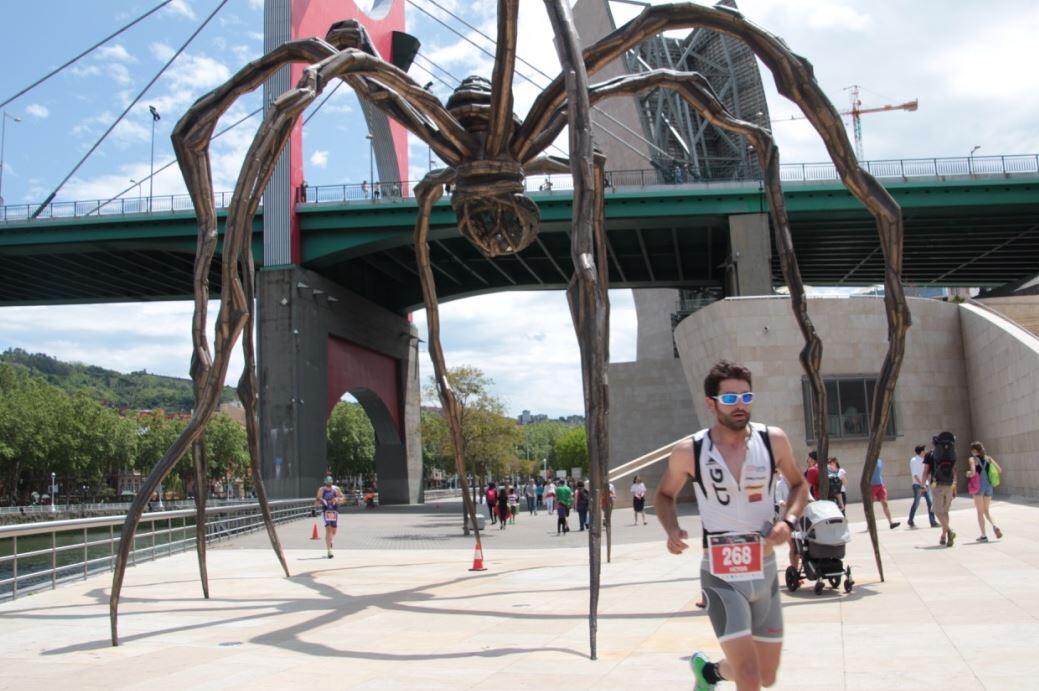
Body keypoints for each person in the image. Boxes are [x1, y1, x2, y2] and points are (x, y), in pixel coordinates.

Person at [656, 360, 807, 690]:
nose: (740, 405)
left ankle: (709, 674)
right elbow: (664, 495)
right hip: (720, 573)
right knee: (750, 675)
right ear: (711, 403)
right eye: (729, 399)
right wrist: (672, 530)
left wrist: (788, 521)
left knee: (765, 675)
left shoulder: (773, 441)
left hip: (764, 569)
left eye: (746, 396)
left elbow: (800, 485)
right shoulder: (689, 451)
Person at [921, 432, 958, 547]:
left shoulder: (930, 455)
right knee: (945, 512)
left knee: (937, 511)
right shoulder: (951, 453)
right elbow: (954, 471)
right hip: (949, 484)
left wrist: (923, 485)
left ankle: (949, 531)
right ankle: (944, 536)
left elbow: (926, 472)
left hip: (936, 485)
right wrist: (954, 486)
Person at [967, 441, 1003, 542]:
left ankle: (983, 535)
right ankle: (995, 526)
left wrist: (968, 473)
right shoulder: (988, 458)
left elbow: (973, 472)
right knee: (986, 510)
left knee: (979, 512)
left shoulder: (972, 459)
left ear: (974, 450)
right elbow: (999, 470)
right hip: (989, 487)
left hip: (978, 487)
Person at [314, 475, 345, 559]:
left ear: (332, 482)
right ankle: (329, 551)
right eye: (327, 482)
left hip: (334, 512)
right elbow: (317, 499)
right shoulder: (321, 489)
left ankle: (330, 541)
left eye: (330, 482)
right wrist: (315, 507)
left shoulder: (336, 489)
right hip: (326, 512)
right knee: (328, 530)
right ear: (325, 482)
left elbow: (343, 498)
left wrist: (338, 499)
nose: (329, 483)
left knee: (334, 531)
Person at [907, 444, 938, 528]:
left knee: (930, 503)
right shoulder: (914, 460)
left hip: (926, 485)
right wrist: (921, 484)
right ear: (921, 452)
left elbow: (926, 472)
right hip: (917, 485)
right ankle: (910, 520)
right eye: (924, 450)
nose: (926, 451)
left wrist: (928, 482)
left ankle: (933, 522)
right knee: (916, 503)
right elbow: (915, 474)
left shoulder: (925, 459)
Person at [869, 458, 901, 529]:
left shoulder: (879, 461)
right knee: (870, 506)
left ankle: (891, 523)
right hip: (872, 485)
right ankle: (870, 525)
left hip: (880, 484)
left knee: (885, 503)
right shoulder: (869, 460)